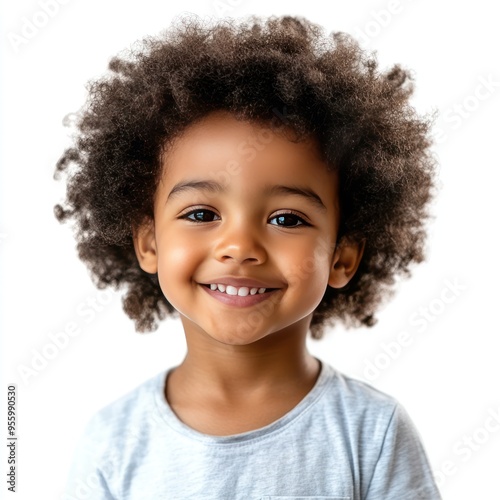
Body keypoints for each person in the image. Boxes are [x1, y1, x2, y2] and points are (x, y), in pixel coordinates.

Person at [56, 13, 441, 499]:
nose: (239, 247)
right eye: (200, 214)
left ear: (342, 256)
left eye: (286, 219)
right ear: (149, 242)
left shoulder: (373, 434)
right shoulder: (113, 441)